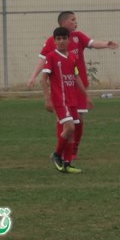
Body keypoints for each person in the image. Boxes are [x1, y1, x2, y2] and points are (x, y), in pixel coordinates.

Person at [27, 11, 119, 158]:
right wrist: (33, 77)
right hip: (61, 89)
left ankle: (74, 148)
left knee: (78, 120)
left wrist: (106, 44)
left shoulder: (78, 37)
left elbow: (92, 43)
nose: (76, 22)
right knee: (63, 121)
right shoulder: (53, 41)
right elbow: (43, 60)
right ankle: (62, 152)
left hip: (77, 86)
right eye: (73, 20)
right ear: (63, 23)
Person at [40, 27, 92, 174]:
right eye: (59, 39)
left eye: (64, 38)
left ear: (69, 40)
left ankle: (67, 164)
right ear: (55, 41)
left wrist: (86, 95)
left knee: (71, 134)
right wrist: (47, 98)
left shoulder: (72, 57)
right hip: (60, 101)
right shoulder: (51, 57)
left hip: (72, 101)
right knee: (69, 128)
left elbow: (76, 78)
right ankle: (56, 154)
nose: (62, 41)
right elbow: (43, 79)